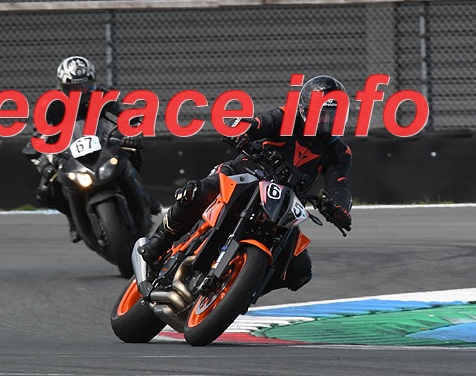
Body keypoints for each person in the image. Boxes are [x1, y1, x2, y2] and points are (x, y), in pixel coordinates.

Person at [137, 75, 353, 294]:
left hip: (284, 201)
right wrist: (243, 132)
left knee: (300, 270)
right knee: (197, 192)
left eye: (335, 116)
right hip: (245, 173)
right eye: (323, 115)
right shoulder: (285, 117)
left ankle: (241, 291)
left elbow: (339, 185)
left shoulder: (340, 152)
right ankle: (159, 242)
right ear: (306, 110)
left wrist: (340, 209)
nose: (328, 122)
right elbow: (258, 124)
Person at [31, 55, 159, 242]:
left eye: (86, 85)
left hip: (102, 146)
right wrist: (45, 162)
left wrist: (132, 131)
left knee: (132, 151)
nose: (82, 90)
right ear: (63, 87)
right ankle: (73, 219)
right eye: (75, 87)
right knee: (46, 190)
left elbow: (123, 115)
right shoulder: (52, 105)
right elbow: (38, 137)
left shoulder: (103, 96)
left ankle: (142, 194)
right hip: (67, 154)